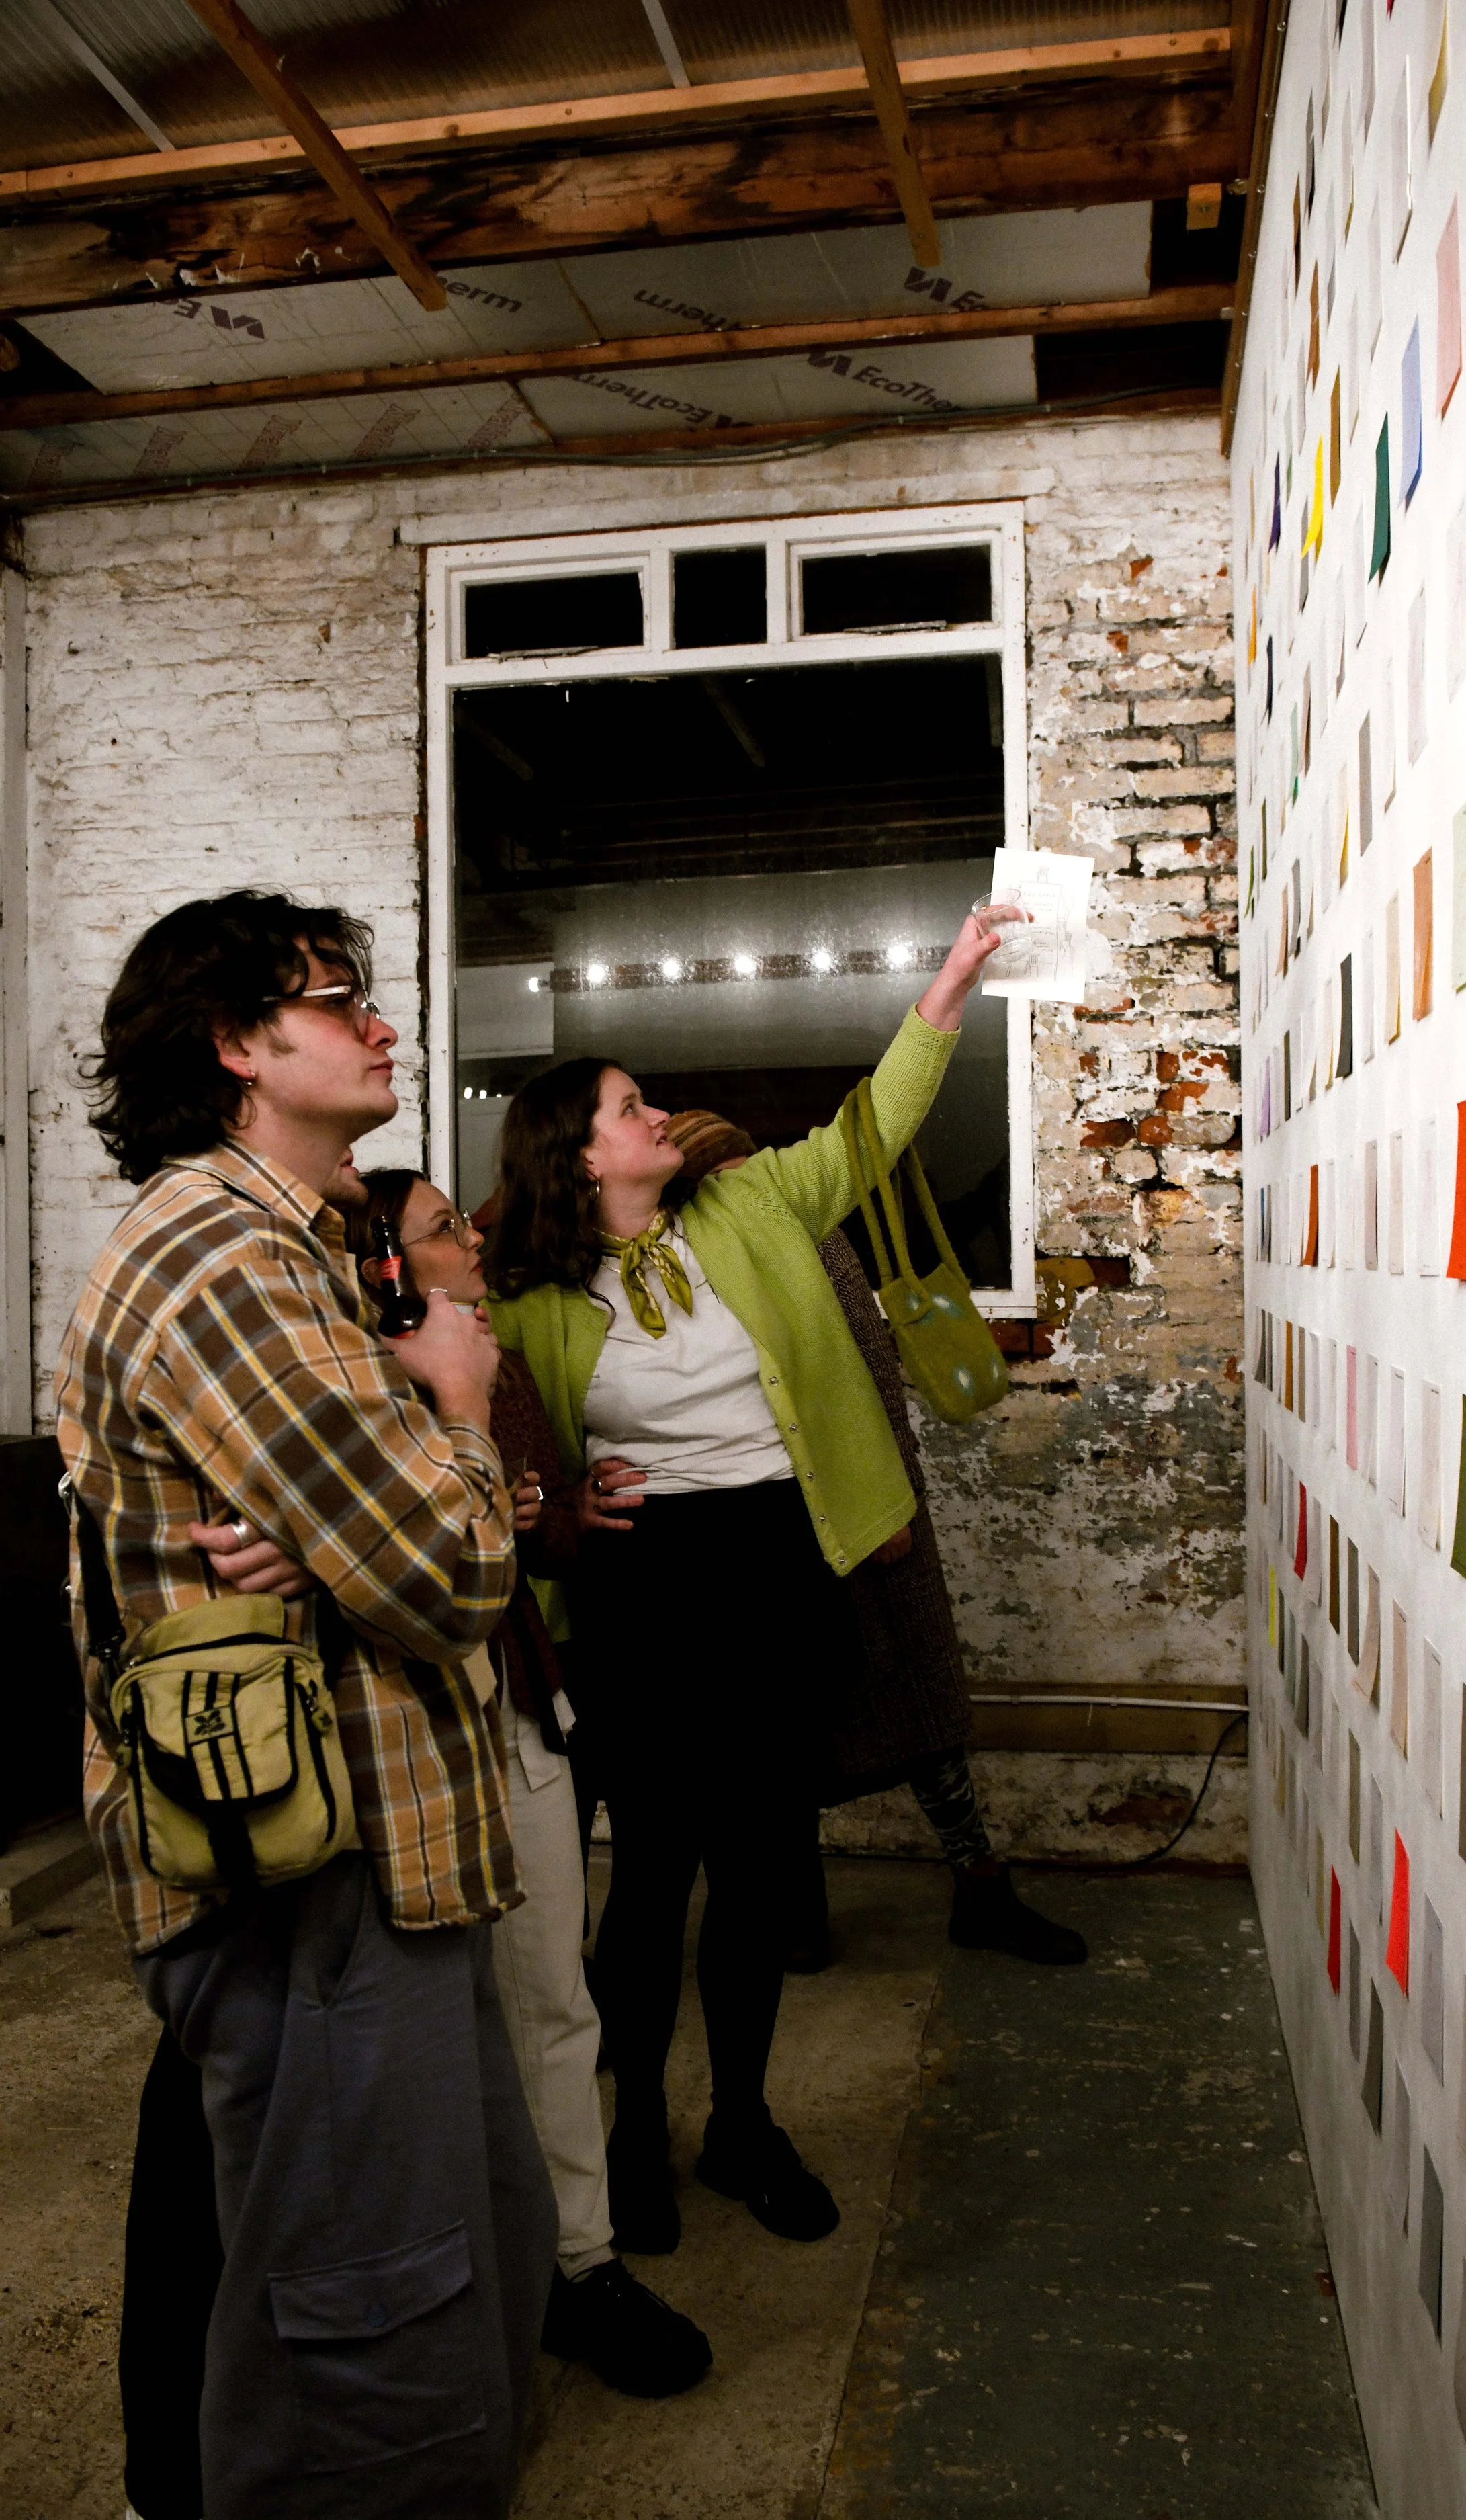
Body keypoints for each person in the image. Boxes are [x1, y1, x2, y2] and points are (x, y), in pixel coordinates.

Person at [58, 890, 555, 2520]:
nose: (382, 1021)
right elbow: (447, 1569)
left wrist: (359, 1522)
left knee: (440, 2280)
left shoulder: (290, 1243)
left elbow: (378, 1539)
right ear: (233, 1043)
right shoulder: (223, 1251)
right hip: (310, 1879)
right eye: (342, 997)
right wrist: (461, 1409)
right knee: (364, 2351)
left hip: (367, 1860)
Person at [484, 908, 1011, 2259]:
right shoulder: (529, 1295)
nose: (655, 1113)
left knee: (764, 1865)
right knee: (651, 1875)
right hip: (645, 1593)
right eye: (627, 1105)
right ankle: (633, 2138)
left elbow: (873, 1125)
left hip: (777, 1564)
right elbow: (503, 1440)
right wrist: (560, 1502)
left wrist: (949, 981)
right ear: (577, 1152)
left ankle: (742, 2125)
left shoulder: (754, 1202)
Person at [342, 1168, 712, 2398]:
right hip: (394, 1738)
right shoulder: (341, 1382)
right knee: (425, 2034)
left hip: (517, 1710)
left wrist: (569, 1507)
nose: (474, 1250)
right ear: (382, 1270)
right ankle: (451, 2282)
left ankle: (583, 2265)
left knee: (556, 2000)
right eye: (445, 1232)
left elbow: (537, 1536)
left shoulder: (491, 1364)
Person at [660, 1110, 1086, 1971]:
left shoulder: (804, 1240)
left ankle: (971, 1887)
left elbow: (865, 1380)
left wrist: (889, 1508)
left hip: (859, 1511)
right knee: (798, 1725)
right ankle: (809, 1908)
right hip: (775, 1521)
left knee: (915, 1710)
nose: (755, 1181)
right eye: (734, 1170)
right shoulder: (705, 1258)